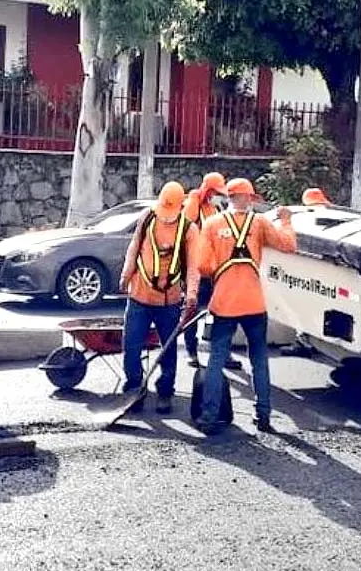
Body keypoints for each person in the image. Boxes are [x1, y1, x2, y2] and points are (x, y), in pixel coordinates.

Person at [194, 178, 298, 435]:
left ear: (229, 197)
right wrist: (286, 220)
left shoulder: (211, 224)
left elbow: (204, 266)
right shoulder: (260, 223)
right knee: (259, 360)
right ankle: (263, 416)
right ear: (247, 198)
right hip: (254, 303)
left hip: (224, 303)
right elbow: (289, 245)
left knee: (217, 359)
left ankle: (209, 417)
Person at [117, 181, 201, 414]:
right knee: (131, 346)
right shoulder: (147, 218)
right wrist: (126, 275)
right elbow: (134, 247)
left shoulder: (189, 229)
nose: (165, 218)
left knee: (169, 348)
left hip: (169, 301)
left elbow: (194, 267)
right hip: (138, 297)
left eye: (169, 215)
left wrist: (192, 295)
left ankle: (165, 392)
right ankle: (134, 388)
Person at [181, 172, 242, 371]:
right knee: (192, 311)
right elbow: (184, 234)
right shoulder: (193, 205)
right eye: (216, 192)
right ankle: (192, 351)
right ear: (208, 189)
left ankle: (222, 352)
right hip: (196, 270)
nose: (219, 196)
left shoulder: (215, 208)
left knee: (223, 312)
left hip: (215, 269)